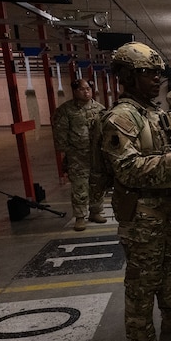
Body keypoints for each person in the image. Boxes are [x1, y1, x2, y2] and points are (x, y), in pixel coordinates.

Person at [100, 42, 171, 341]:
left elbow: (167, 152)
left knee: (168, 265)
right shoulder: (120, 118)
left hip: (164, 201)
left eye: (158, 74)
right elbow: (128, 169)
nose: (156, 80)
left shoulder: (152, 112)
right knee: (142, 280)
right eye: (149, 74)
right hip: (141, 209)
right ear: (129, 76)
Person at [52, 78, 107, 231]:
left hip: (96, 155)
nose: (86, 92)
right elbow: (60, 132)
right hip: (77, 156)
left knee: (97, 185)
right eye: (82, 89)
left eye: (88, 88)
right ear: (75, 91)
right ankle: (80, 216)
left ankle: (95, 212)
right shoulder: (66, 110)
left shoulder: (100, 109)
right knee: (80, 187)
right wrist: (67, 152)